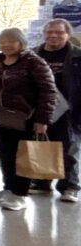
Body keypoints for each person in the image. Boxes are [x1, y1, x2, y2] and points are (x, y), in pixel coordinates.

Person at [0, 28, 57, 212]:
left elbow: (48, 92)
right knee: (5, 155)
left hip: (25, 118)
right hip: (2, 116)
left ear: (21, 43)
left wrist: (42, 120)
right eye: (2, 41)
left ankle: (20, 195)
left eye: (10, 41)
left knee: (22, 157)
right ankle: (9, 188)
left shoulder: (34, 62)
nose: (5, 45)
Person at [32, 18, 81, 202]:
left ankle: (70, 186)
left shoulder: (77, 56)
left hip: (69, 110)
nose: (53, 35)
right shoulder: (34, 55)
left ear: (68, 35)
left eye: (59, 33)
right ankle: (42, 182)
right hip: (41, 109)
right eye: (49, 32)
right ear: (44, 34)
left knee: (69, 148)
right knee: (43, 144)